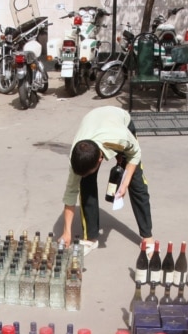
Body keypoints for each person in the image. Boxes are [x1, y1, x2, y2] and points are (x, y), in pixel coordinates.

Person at [61, 106, 153, 255]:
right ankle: (90, 238)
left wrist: (125, 183)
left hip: (119, 120)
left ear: (100, 159)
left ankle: (148, 236)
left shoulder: (122, 138)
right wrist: (67, 232)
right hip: (92, 120)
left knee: (137, 184)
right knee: (86, 184)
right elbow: (70, 193)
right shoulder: (76, 156)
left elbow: (135, 153)